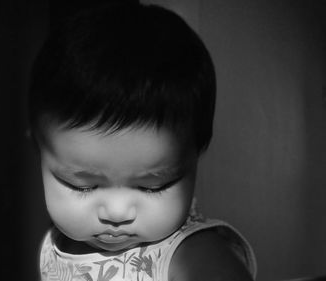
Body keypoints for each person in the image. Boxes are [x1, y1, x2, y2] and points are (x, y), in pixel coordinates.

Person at [28, 2, 257, 280]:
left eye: (152, 186)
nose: (117, 212)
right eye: (82, 185)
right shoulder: (56, 246)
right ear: (38, 147)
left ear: (195, 153)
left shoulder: (190, 253)